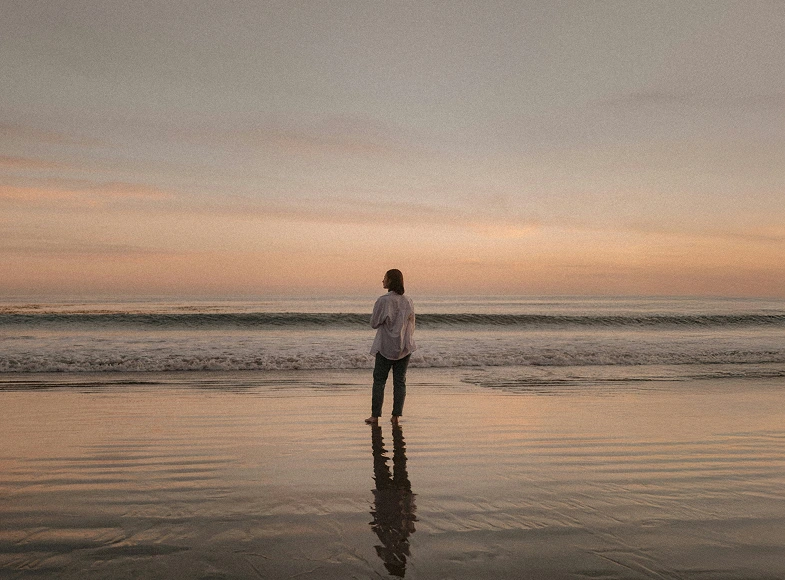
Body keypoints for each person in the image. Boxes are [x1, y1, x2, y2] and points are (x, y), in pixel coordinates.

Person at [365, 269, 416, 425]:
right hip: (404, 346)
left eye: (385, 278)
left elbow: (374, 323)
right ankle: (396, 416)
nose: (382, 281)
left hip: (386, 345)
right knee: (399, 382)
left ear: (390, 281)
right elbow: (411, 324)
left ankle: (375, 416)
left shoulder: (383, 300)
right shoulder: (408, 300)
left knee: (379, 381)